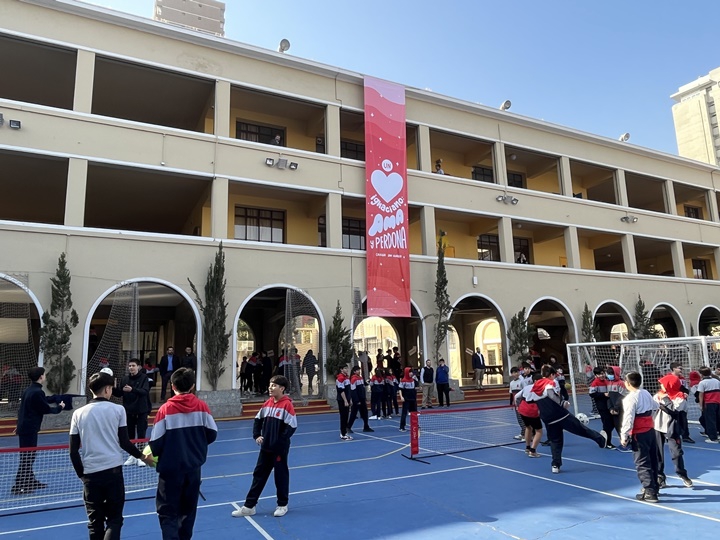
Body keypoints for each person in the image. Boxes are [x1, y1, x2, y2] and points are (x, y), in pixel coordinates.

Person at [69, 371, 153, 539]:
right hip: (113, 471)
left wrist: (82, 475)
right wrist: (143, 457)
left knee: (95, 523)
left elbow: (73, 451)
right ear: (108, 389)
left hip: (91, 473)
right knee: (114, 520)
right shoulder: (118, 410)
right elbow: (125, 442)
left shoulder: (78, 413)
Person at [150, 367, 218, 539]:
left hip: (170, 471)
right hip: (193, 469)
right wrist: (196, 446)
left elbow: (155, 442)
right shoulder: (202, 407)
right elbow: (212, 433)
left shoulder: (165, 410)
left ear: (172, 386)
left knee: (167, 512)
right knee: (188, 511)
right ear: (193, 386)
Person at [232, 375, 297, 518]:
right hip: (266, 448)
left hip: (279, 449)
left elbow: (292, 426)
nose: (270, 388)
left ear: (282, 388)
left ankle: (282, 505)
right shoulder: (267, 403)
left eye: (274, 385)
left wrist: (279, 442)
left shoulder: (287, 405)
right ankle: (249, 506)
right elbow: (258, 419)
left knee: (280, 475)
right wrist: (257, 435)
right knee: (259, 475)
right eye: (270, 385)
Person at [526, 364, 607, 474]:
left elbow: (527, 399)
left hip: (547, 418)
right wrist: (562, 402)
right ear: (552, 374)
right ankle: (601, 440)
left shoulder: (534, 387)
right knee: (581, 429)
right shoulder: (549, 383)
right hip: (560, 415)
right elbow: (551, 394)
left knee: (555, 441)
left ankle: (555, 464)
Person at [12, 367, 65, 495]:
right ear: (41, 377)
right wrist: (59, 407)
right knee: (28, 457)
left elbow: (25, 408)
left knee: (28, 456)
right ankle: (20, 485)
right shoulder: (37, 392)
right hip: (29, 428)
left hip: (26, 427)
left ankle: (30, 481)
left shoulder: (29, 390)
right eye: (44, 374)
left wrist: (19, 424)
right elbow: (45, 408)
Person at [620, 371, 660, 503]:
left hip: (639, 432)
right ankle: (654, 486)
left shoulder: (630, 398)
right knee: (653, 459)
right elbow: (656, 405)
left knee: (642, 461)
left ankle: (649, 491)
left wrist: (624, 435)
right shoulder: (646, 392)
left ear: (627, 383)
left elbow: (629, 418)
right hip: (650, 429)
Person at [654, 374, 693, 488]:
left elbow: (673, 410)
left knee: (676, 453)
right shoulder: (658, 395)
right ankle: (660, 477)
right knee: (657, 453)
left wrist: (663, 400)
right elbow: (652, 406)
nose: (661, 385)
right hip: (657, 426)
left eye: (663, 384)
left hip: (672, 428)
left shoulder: (680, 397)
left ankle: (682, 474)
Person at [111, 359, 151, 465]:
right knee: (130, 434)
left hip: (141, 410)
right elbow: (120, 393)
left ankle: (141, 456)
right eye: (129, 366)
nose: (131, 368)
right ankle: (132, 455)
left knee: (141, 433)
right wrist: (113, 388)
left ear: (138, 367)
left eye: (133, 365)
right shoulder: (125, 379)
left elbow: (145, 391)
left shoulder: (144, 378)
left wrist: (132, 389)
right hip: (128, 410)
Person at [516, 372, 543, 457]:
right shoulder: (542, 389)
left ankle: (527, 448)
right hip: (532, 411)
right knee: (539, 431)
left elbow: (516, 397)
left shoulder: (527, 387)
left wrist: (517, 406)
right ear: (535, 381)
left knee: (528, 427)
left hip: (523, 409)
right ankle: (533, 451)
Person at [589, 367, 616, 449]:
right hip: (602, 406)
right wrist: (603, 394)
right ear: (596, 375)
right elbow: (592, 394)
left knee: (612, 423)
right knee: (607, 424)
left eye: (603, 373)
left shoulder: (607, 381)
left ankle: (603, 435)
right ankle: (607, 443)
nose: (602, 375)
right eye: (599, 374)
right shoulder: (595, 383)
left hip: (609, 405)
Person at [668, 362, 693, 443]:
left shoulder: (682, 379)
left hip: (682, 401)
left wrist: (686, 393)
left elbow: (686, 388)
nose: (681, 370)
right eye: (679, 368)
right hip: (672, 402)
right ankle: (672, 436)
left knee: (683, 419)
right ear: (674, 369)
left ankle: (685, 436)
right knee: (672, 420)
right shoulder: (668, 378)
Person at [697, 366, 720, 443]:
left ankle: (713, 438)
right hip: (718, 402)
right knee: (717, 419)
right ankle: (716, 433)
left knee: (710, 420)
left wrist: (701, 405)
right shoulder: (716, 381)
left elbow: (701, 395)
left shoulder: (702, 383)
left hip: (709, 403)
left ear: (701, 374)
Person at [347, 366, 373, 433]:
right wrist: (356, 400)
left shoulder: (360, 378)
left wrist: (368, 382)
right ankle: (348, 427)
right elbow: (353, 391)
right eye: (357, 370)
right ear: (354, 371)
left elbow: (363, 387)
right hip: (357, 399)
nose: (359, 371)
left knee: (365, 413)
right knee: (353, 413)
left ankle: (366, 426)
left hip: (362, 398)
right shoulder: (353, 379)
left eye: (359, 370)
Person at [398, 367, 418, 432]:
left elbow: (414, 388)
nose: (411, 373)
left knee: (414, 413)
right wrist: (401, 397)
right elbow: (400, 389)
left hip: (413, 398)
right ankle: (402, 427)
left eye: (412, 372)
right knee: (404, 413)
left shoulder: (413, 380)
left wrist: (418, 388)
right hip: (406, 399)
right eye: (410, 372)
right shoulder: (403, 380)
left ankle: (415, 425)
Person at [335, 365, 352, 440]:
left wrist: (349, 399)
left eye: (347, 368)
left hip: (347, 399)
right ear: (341, 370)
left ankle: (345, 432)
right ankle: (342, 433)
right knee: (343, 417)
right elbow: (341, 391)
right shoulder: (340, 378)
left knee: (346, 416)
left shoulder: (347, 378)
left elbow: (348, 390)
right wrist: (345, 400)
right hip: (342, 400)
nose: (347, 369)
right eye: (345, 368)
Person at [509, 367, 526, 440]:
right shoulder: (511, 383)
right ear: (511, 374)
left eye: (517, 372)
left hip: (523, 403)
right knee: (519, 419)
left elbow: (525, 391)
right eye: (514, 372)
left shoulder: (522, 381)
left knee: (523, 419)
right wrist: (511, 404)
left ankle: (526, 435)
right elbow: (511, 394)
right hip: (516, 404)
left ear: (519, 372)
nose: (515, 374)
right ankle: (523, 433)